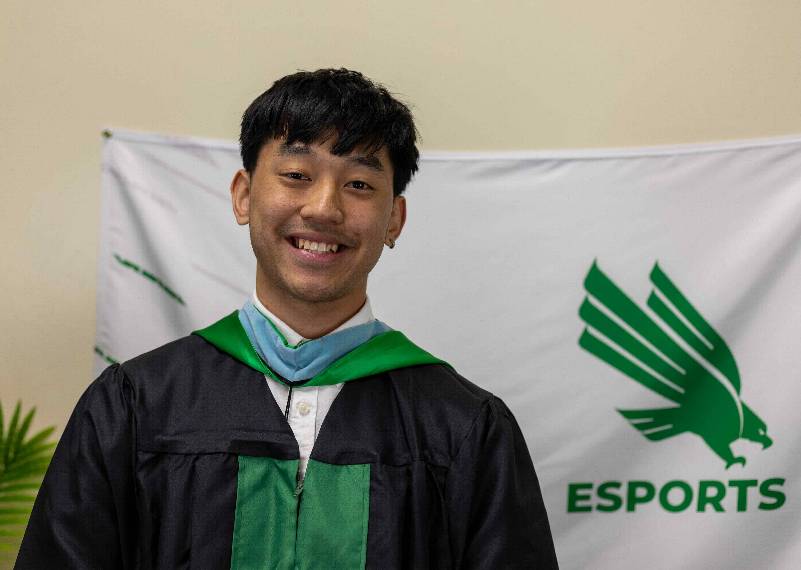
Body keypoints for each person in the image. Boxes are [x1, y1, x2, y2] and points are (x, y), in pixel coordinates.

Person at [17, 68, 558, 569]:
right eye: (297, 174)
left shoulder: (463, 427)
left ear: (394, 220)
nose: (324, 208)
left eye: (360, 184)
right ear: (245, 196)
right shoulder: (133, 406)